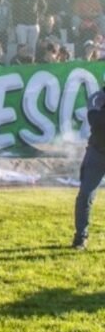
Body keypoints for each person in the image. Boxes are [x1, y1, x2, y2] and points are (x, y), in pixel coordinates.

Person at [73, 86, 105, 250]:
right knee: (85, 195)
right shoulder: (97, 97)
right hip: (98, 151)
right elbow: (96, 121)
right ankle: (80, 237)